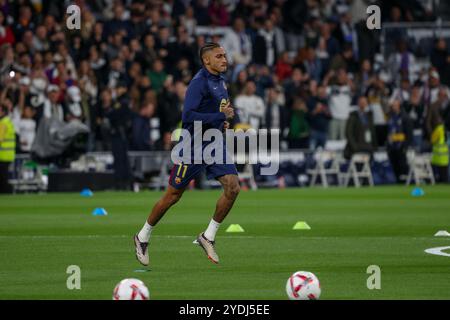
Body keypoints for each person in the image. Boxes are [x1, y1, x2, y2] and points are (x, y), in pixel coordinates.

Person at [134, 43, 240, 266]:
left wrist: (222, 123)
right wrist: (218, 116)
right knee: (173, 196)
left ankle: (208, 236)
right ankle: (142, 236)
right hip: (193, 145)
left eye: (225, 55)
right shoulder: (198, 83)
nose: (224, 60)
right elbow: (189, 116)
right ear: (206, 61)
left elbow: (217, 111)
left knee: (233, 187)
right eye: (219, 56)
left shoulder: (221, 81)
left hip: (214, 142)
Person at [386, 99, 413, 183]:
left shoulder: (405, 117)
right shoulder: (390, 117)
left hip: (401, 146)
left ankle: (406, 182)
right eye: (392, 105)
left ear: (399, 106)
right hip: (392, 147)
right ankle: (398, 181)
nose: (393, 107)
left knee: (403, 165)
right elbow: (388, 131)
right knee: (395, 166)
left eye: (395, 105)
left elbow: (409, 133)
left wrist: (406, 145)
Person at [0, 105, 15, 193]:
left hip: (3, 155)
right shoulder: (8, 121)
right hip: (8, 155)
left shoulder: (3, 123)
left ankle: (8, 192)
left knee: (2, 179)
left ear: (3, 112)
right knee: (3, 177)